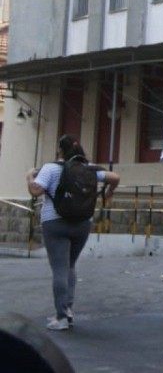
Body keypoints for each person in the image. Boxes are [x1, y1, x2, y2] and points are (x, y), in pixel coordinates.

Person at [25, 136, 119, 330]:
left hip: (55, 222)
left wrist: (29, 177)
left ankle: (60, 317)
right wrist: (109, 192)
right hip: (82, 223)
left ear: (59, 150)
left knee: (59, 268)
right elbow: (115, 177)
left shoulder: (50, 168)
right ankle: (68, 311)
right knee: (70, 266)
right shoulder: (89, 167)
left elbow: (36, 191)